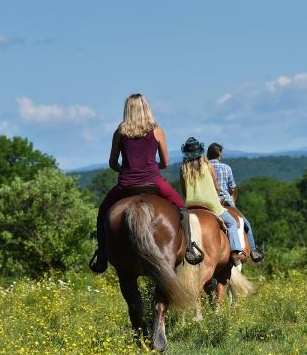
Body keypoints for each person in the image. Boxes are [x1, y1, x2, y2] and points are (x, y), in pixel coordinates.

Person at [89, 93, 202, 273]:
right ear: (146, 108)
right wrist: (151, 168)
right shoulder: (157, 130)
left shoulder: (120, 132)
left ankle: (102, 256)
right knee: (182, 207)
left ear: (127, 110)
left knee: (103, 213)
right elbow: (165, 162)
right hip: (153, 182)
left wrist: (126, 169)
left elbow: (112, 163)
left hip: (126, 184)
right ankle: (190, 249)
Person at [180, 137, 247, 266]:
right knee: (232, 223)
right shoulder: (208, 166)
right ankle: (235, 252)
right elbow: (216, 186)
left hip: (190, 206)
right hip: (211, 205)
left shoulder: (183, 168)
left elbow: (183, 190)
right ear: (201, 152)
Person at [207, 143, 264, 262]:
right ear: (219, 154)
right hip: (225, 201)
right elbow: (232, 187)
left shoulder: (204, 167)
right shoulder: (226, 168)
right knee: (246, 224)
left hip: (207, 202)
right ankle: (253, 250)